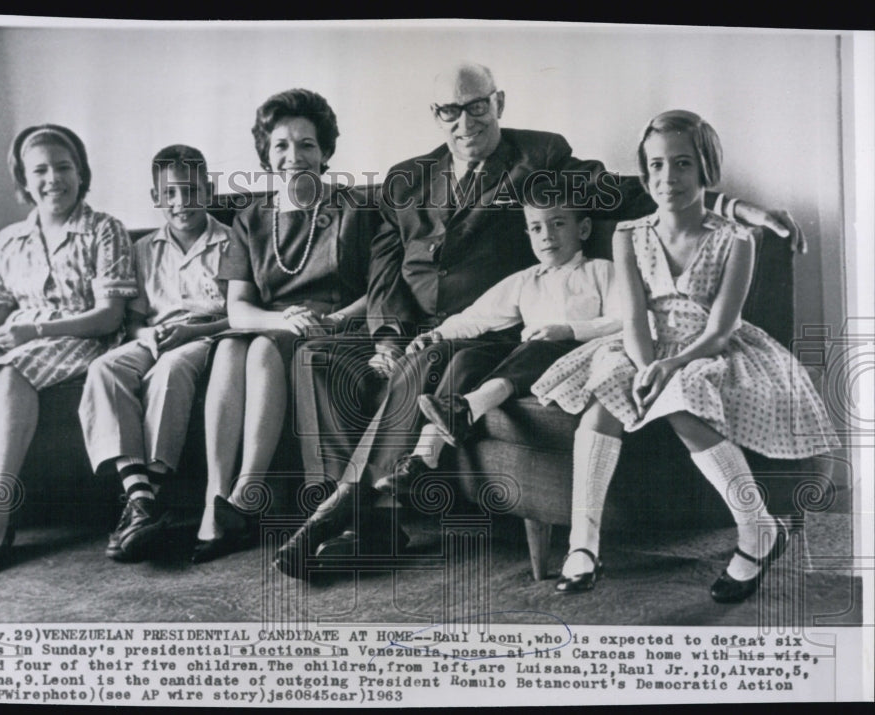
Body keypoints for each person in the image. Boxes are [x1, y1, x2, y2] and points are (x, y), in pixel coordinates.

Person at [279, 62, 801, 578]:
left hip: (496, 330)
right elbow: (385, 265)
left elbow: (635, 190)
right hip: (415, 326)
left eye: (477, 107)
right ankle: (373, 527)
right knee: (317, 357)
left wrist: (738, 209)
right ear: (436, 115)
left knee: (432, 359)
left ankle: (346, 509)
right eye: (450, 111)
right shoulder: (407, 177)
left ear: (498, 103)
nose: (465, 123)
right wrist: (387, 338)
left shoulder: (539, 157)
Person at [530, 110, 839, 601]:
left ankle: (757, 529)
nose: (667, 177)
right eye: (656, 165)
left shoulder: (736, 239)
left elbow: (721, 329)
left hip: (706, 348)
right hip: (644, 344)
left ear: (705, 168)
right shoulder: (629, 234)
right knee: (603, 398)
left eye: (682, 164)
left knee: (683, 398)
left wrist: (671, 366)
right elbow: (634, 318)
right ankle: (583, 544)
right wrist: (646, 365)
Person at [0, 124, 137, 579]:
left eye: (63, 167)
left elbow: (109, 316)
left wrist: (35, 329)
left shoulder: (105, 230)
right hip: (20, 335)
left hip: (79, 336)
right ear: (24, 180)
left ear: (81, 173)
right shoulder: (9, 238)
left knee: (13, 370)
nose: (53, 179)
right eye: (40, 170)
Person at [192, 88, 378, 564]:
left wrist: (326, 321)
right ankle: (217, 497)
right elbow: (238, 308)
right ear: (267, 153)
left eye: (306, 144)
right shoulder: (251, 218)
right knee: (232, 347)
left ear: (325, 151)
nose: (294, 156)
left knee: (259, 348)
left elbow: (377, 292)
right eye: (281, 145)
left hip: (334, 330)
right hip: (273, 328)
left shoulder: (356, 208)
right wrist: (282, 320)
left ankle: (247, 493)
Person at [374, 183, 620, 494]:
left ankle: (464, 410)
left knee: (536, 346)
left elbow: (624, 319)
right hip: (529, 357)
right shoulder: (527, 279)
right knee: (467, 357)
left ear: (583, 229)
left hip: (579, 355)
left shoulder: (601, 271)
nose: (547, 235)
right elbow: (477, 317)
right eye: (536, 228)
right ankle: (424, 457)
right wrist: (436, 334)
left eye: (558, 223)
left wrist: (569, 330)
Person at [78, 145, 232, 563]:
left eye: (191, 191)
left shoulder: (231, 241)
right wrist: (147, 333)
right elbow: (133, 321)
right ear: (155, 197)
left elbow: (237, 314)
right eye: (170, 194)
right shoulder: (143, 249)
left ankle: (148, 495)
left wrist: (190, 332)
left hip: (206, 336)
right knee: (104, 368)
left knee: (170, 369)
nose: (181, 202)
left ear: (209, 190)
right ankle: (142, 498)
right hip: (155, 335)